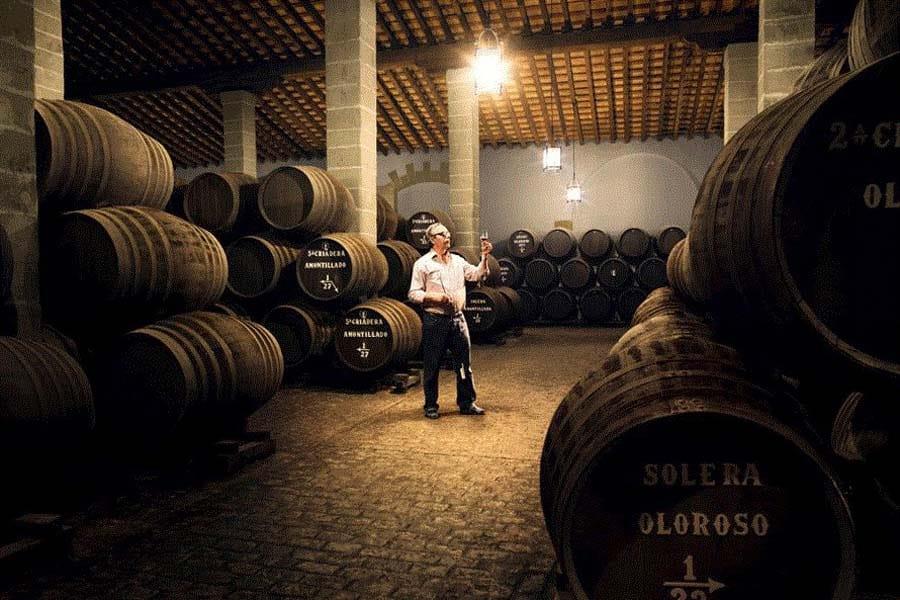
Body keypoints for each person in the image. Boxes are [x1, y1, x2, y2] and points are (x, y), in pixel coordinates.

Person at [408, 222, 493, 419]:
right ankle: (430, 405)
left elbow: (477, 274)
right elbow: (413, 293)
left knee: (464, 364)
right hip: (435, 320)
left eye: (447, 233)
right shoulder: (423, 264)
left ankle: (467, 402)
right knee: (432, 364)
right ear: (432, 239)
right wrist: (433, 297)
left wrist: (485, 257)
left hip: (458, 319)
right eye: (441, 234)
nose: (447, 236)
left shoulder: (457, 261)